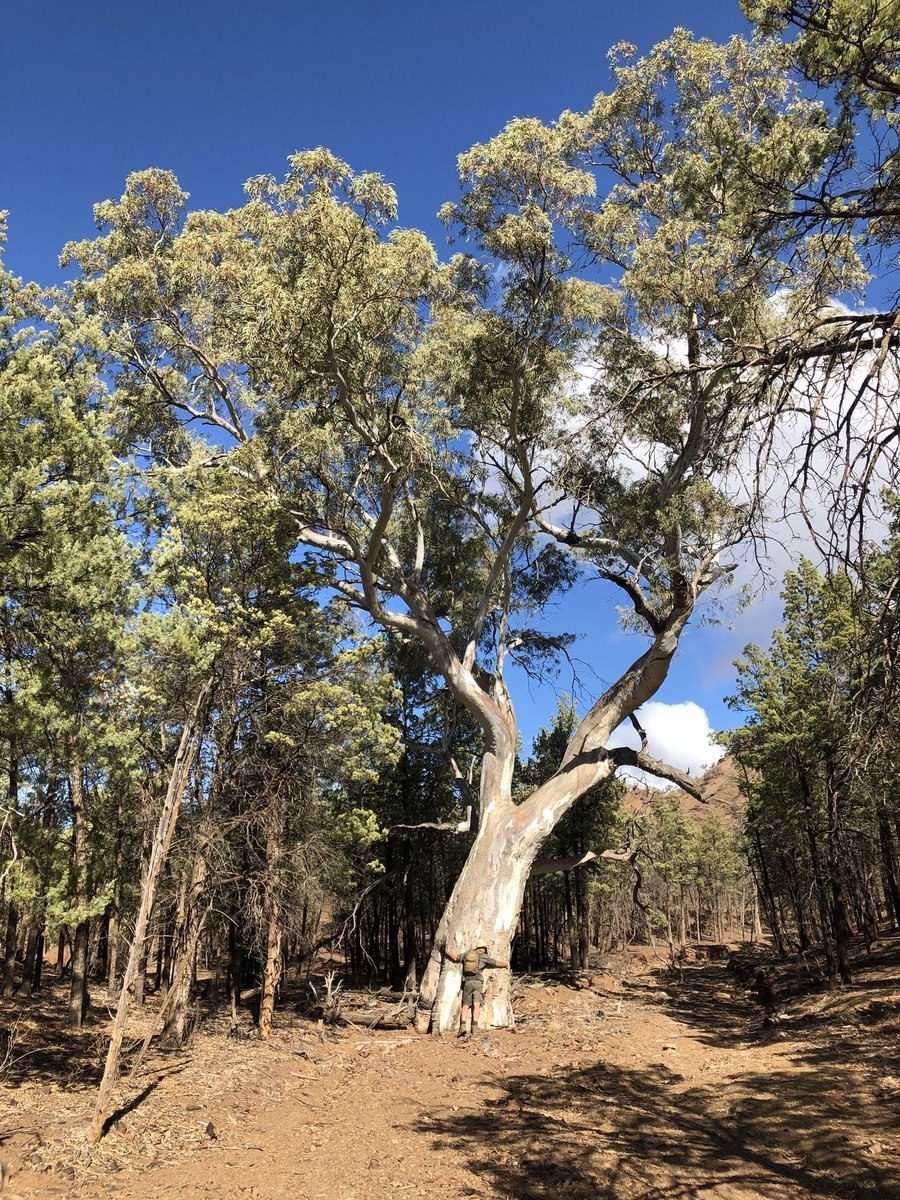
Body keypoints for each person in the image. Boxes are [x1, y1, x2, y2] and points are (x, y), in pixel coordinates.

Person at [444, 943, 509, 1036]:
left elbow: (455, 958)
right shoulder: (483, 956)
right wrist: (505, 964)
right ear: (483, 949)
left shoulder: (466, 954)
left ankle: (462, 1028)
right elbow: (495, 963)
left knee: (465, 1005)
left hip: (467, 982)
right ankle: (474, 1029)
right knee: (476, 1005)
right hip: (478, 983)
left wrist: (447, 951)